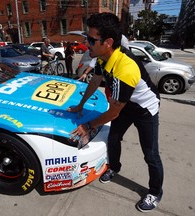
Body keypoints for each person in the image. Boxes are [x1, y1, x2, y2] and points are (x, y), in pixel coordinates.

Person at [68, 12, 163, 213]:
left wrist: (87, 126)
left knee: (150, 154)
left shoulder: (125, 68)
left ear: (108, 42)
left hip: (146, 110)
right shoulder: (102, 58)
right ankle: (114, 168)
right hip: (127, 106)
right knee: (113, 138)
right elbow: (94, 82)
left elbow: (113, 112)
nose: (87, 44)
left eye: (92, 40)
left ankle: (155, 191)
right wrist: (80, 105)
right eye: (87, 38)